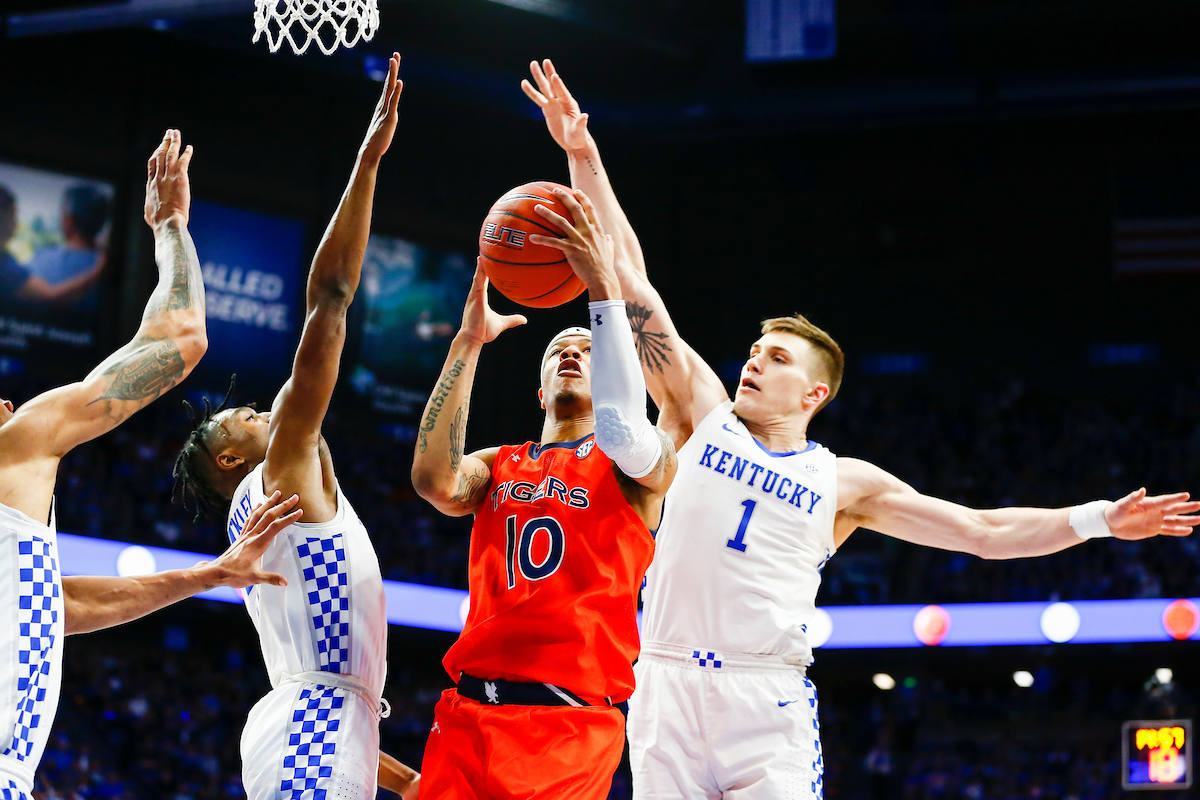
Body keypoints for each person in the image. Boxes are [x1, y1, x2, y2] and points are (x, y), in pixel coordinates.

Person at [522, 59, 1200, 799]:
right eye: (753, 350)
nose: (753, 362)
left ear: (813, 391)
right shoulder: (699, 412)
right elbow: (628, 277)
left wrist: (1100, 518)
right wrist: (583, 157)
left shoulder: (844, 482)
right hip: (663, 682)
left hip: (765, 698)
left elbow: (981, 531)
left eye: (774, 357)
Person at [0, 128, 307, 800]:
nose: (8, 401)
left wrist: (211, 574)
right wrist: (171, 226)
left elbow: (58, 606)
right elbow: (181, 337)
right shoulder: (15, 446)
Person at [170, 54, 418, 800]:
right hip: (310, 726)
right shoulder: (280, 475)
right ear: (230, 459)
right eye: (240, 418)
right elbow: (330, 301)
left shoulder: (274, 512)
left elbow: (330, 701)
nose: (259, 409)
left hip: (315, 723)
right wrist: (367, 163)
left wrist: (411, 785)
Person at [410, 185, 677, 799]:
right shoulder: (500, 462)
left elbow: (629, 430)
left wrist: (604, 289)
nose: (572, 355)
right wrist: (467, 343)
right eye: (559, 349)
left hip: (568, 726)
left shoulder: (640, 465)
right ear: (538, 390)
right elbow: (434, 481)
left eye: (587, 350)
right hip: (468, 716)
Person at [0, 185, 105, 306]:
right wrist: (100, 271)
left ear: (68, 221)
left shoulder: (37, 260)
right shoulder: (7, 267)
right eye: (12, 217)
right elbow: (51, 296)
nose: (16, 224)